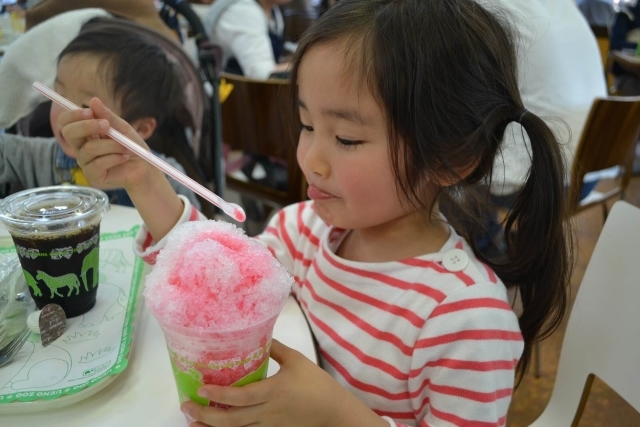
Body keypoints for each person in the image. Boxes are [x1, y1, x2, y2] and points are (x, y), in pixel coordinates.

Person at [59, 0, 572, 425]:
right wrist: (145, 178)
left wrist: (339, 416)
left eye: (347, 137)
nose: (311, 158)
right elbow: (213, 273)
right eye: (307, 125)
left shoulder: (464, 320)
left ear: (451, 159)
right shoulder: (301, 230)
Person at [0, 21, 200, 209]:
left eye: (86, 105)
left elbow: (191, 230)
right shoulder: (41, 158)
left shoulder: (169, 180)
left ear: (141, 128)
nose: (64, 115)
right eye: (59, 96)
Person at [489, 0, 607, 203]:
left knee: (440, 163)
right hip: (592, 173)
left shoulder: (489, 8)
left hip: (536, 187)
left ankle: (481, 235)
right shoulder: (567, 7)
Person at [203, 0, 293, 79]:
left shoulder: (273, 10)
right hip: (226, 93)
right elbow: (262, 75)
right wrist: (303, 66)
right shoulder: (243, 11)